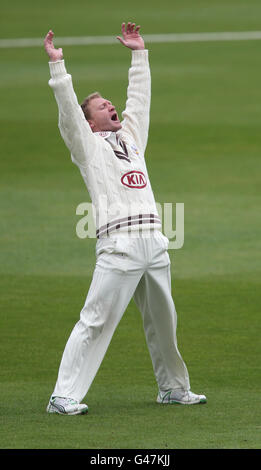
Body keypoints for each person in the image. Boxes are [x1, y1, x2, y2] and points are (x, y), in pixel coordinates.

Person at [44, 23, 206, 415]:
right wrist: (58, 71)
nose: (111, 107)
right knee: (95, 321)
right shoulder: (87, 148)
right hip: (118, 246)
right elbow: (68, 116)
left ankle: (172, 388)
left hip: (154, 241)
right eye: (101, 107)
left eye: (109, 103)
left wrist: (139, 54)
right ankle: (62, 396)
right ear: (90, 123)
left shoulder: (131, 139)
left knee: (165, 323)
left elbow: (141, 101)